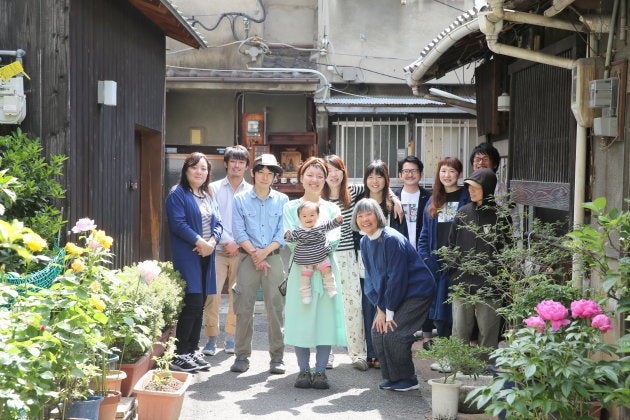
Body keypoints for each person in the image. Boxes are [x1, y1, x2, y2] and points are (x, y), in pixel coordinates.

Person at [352, 198, 436, 392]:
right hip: (392, 294)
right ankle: (392, 377)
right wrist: (380, 308)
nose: (365, 219)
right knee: (377, 331)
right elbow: (371, 278)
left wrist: (388, 311)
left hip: (416, 291)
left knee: (394, 333)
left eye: (369, 214)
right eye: (360, 215)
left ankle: (407, 379)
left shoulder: (390, 239)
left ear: (378, 216)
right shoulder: (365, 241)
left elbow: (396, 278)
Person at [283, 156, 346, 389]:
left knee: (325, 321)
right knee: (301, 319)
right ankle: (303, 370)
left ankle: (320, 370)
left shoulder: (331, 207)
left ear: (326, 179)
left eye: (320, 175)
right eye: (310, 174)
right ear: (301, 177)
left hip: (326, 270)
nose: (315, 179)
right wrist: (318, 244)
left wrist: (317, 245)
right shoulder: (291, 207)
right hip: (302, 271)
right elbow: (290, 239)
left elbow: (334, 238)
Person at [230, 153, 289, 374]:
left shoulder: (283, 200)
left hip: (273, 259)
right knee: (244, 308)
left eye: (270, 173)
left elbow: (282, 231)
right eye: (261, 172)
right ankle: (242, 355)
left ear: (275, 177)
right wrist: (255, 254)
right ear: (253, 173)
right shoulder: (240, 199)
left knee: (276, 309)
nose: (265, 177)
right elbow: (238, 230)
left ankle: (277, 358)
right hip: (247, 259)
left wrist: (264, 253)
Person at [166, 152, 223, 372]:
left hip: (207, 254)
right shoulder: (177, 193)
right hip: (188, 254)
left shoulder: (207, 194)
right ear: (186, 170)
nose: (199, 172)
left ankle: (191, 350)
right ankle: (179, 354)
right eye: (195, 167)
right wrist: (200, 242)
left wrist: (212, 241)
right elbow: (178, 224)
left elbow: (219, 223)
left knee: (200, 304)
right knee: (192, 302)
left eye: (204, 168)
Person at [448, 168, 512, 350]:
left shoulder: (501, 215)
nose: (471, 191)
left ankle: (485, 369)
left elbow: (507, 249)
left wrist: (498, 276)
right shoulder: (463, 212)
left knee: (488, 330)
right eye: (469, 187)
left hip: (490, 283)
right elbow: (451, 244)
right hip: (462, 281)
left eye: (475, 187)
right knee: (459, 329)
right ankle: (458, 366)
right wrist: (453, 270)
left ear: (488, 188)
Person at [202, 145, 252, 356]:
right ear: (226, 163)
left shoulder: (251, 191)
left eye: (241, 162)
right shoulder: (212, 188)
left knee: (236, 295)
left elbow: (252, 222)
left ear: (247, 167)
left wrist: (239, 243)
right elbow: (210, 218)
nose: (237, 165)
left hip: (242, 251)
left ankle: (231, 338)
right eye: (233, 161)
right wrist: (227, 241)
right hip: (217, 249)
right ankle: (212, 339)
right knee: (212, 294)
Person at [418, 157, 470, 352]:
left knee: (454, 307)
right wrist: (424, 256)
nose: (447, 175)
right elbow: (424, 233)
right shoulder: (434, 199)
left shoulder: (466, 197)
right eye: (443, 171)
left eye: (451, 171)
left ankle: (454, 349)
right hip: (435, 261)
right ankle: (445, 346)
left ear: (459, 174)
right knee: (437, 306)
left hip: (458, 262)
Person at [392, 156, 432, 347]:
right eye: (406, 171)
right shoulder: (392, 197)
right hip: (399, 254)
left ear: (421, 174)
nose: (409, 174)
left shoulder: (429, 197)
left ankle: (426, 334)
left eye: (413, 171)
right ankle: (404, 332)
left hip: (421, 252)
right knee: (401, 292)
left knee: (422, 292)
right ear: (400, 175)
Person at [284, 201, 343, 304]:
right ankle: (305, 295)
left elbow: (330, 225)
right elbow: (292, 239)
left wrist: (337, 220)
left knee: (327, 271)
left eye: (312, 215)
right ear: (300, 218)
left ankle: (331, 288)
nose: (308, 218)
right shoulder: (299, 230)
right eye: (305, 216)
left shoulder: (321, 226)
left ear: (318, 216)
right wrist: (288, 236)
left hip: (321, 254)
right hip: (306, 258)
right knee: (305, 277)